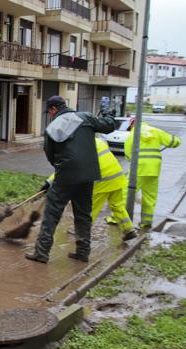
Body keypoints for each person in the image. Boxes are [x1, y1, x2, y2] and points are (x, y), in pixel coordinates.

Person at [26, 96, 116, 264]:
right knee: (83, 214)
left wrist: (62, 170)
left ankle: (41, 252)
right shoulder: (86, 117)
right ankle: (83, 252)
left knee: (51, 215)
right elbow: (109, 126)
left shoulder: (52, 128)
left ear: (53, 109)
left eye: (50, 112)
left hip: (65, 176)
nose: (50, 115)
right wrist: (109, 114)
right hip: (87, 176)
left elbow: (50, 156)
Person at [42, 137, 137, 242]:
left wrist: (49, 182)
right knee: (117, 205)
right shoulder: (96, 140)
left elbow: (65, 167)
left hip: (103, 180)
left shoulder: (76, 148)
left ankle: (81, 231)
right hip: (117, 176)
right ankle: (129, 230)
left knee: (90, 208)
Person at [107, 118, 181, 229]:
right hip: (154, 170)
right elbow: (174, 142)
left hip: (138, 169)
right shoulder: (155, 131)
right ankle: (146, 222)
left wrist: (132, 161)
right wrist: (176, 141)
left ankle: (116, 218)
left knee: (125, 194)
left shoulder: (133, 134)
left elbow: (128, 153)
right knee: (150, 196)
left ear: (132, 124)